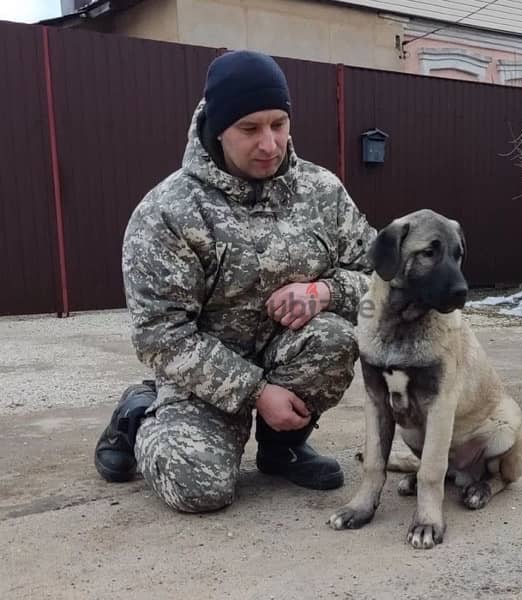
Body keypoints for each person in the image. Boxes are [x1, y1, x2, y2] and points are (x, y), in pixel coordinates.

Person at [94, 50, 376, 513]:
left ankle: (282, 446)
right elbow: (159, 335)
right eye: (249, 129)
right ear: (218, 127)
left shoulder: (323, 191)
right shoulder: (168, 212)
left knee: (334, 338)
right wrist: (256, 393)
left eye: (278, 124)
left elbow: (380, 279)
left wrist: (325, 292)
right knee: (196, 488)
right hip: (205, 378)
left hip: (285, 352)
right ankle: (139, 413)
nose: (269, 143)